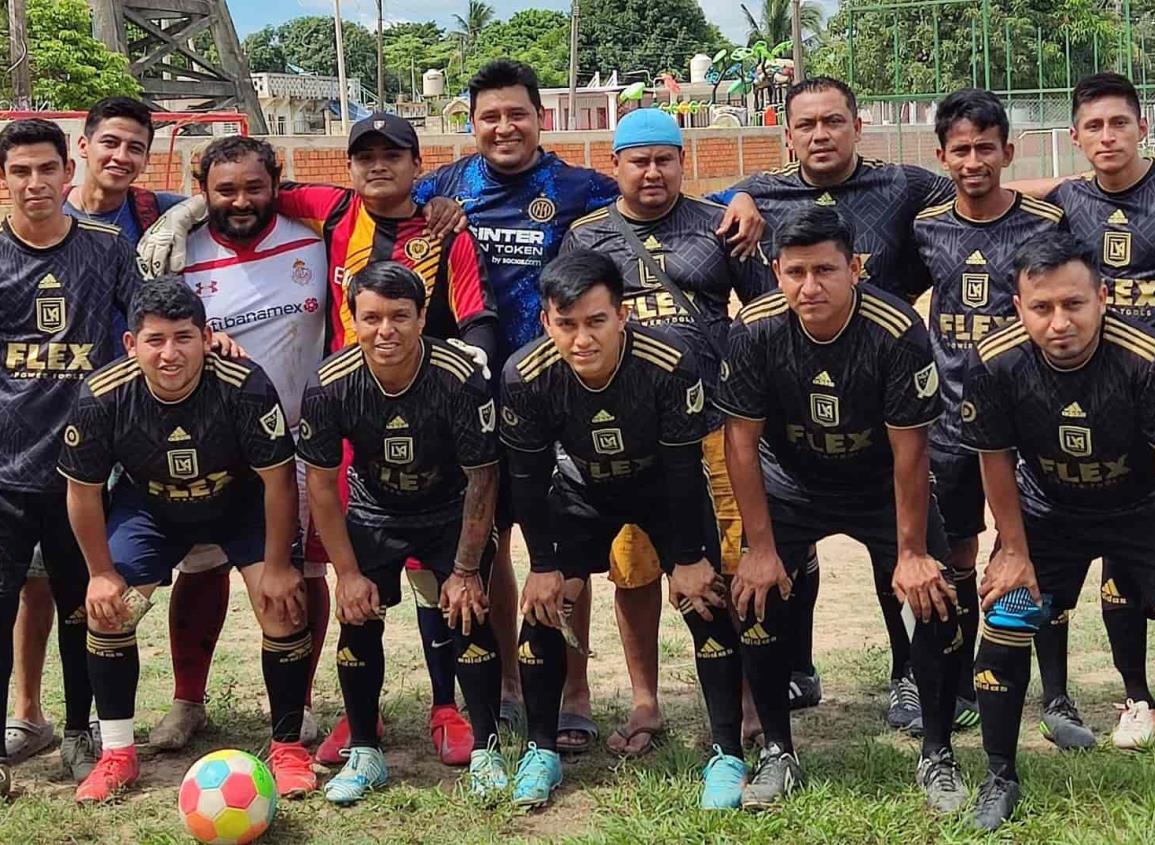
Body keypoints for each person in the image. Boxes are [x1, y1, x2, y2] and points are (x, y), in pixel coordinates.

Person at [137, 59, 765, 750]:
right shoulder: (435, 189)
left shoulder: (573, 186)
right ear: (469, 126)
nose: (503, 126)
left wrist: (740, 192)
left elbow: (651, 184)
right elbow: (253, 195)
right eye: (489, 116)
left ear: (538, 117)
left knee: (571, 552)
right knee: (482, 550)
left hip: (564, 393)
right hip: (433, 407)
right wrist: (186, 210)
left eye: (516, 113)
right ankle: (496, 687)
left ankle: (580, 696)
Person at [139, 113, 498, 766]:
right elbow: (245, 189)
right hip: (330, 428)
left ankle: (444, 706)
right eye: (365, 156)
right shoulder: (331, 211)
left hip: (414, 419)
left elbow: (475, 314)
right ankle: (347, 716)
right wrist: (181, 215)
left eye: (394, 155)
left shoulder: (446, 226)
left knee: (415, 569)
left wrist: (475, 375)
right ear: (350, 166)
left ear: (419, 164)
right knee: (338, 570)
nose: (378, 166)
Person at [719, 207, 965, 813]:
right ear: (775, 271)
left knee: (931, 592)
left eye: (826, 270)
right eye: (795, 271)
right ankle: (779, 750)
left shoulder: (897, 327)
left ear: (854, 268)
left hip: (880, 483)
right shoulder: (753, 329)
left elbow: (911, 451)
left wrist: (910, 553)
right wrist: (760, 547)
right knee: (755, 591)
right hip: (792, 480)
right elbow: (741, 444)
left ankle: (938, 754)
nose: (810, 286)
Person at [560, 108, 774, 755]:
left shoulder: (717, 225)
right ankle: (646, 700)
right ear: (614, 165)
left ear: (683, 161)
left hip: (713, 428)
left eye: (664, 158)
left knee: (731, 565)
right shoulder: (586, 234)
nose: (651, 171)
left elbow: (763, 308)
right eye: (638, 159)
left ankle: (742, 697)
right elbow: (572, 320)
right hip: (628, 440)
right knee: (633, 571)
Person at [501, 249, 746, 808]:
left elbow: (685, 469)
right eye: (566, 325)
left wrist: (687, 557)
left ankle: (728, 753)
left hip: (664, 486)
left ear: (623, 316)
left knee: (704, 597)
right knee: (544, 603)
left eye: (596, 322)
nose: (581, 339)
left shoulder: (670, 362)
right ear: (546, 323)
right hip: (583, 489)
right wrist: (542, 566)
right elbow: (527, 477)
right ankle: (541, 751)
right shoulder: (525, 374)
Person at [59, 278, 316, 802]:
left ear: (205, 336)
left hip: (240, 505)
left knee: (283, 604)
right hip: (151, 510)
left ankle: (288, 749)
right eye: (155, 340)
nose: (170, 353)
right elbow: (82, 493)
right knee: (110, 611)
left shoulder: (244, 384)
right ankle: (117, 755)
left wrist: (277, 565)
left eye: (183, 337)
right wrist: (102, 574)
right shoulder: (103, 395)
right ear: (132, 345)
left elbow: (278, 481)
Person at [7, 97, 182, 767]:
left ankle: (90, 725)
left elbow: (153, 313)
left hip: (99, 448)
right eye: (109, 142)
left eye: (135, 147)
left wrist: (189, 213)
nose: (121, 156)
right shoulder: (20, 233)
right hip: (19, 448)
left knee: (93, 585)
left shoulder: (129, 230)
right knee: (22, 590)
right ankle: (25, 719)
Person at [961, 233, 1155, 830]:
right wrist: (1012, 550)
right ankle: (999, 776)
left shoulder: (1143, 360)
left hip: (1140, 509)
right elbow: (993, 457)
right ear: (1018, 309)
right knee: (1007, 616)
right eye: (1042, 308)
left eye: (1073, 304)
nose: (1059, 322)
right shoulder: (996, 363)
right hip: (1048, 515)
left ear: (1102, 297)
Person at [148, 135, 332, 754]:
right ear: (202, 190)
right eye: (225, 190)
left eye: (255, 186)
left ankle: (298, 703)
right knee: (202, 569)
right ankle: (187, 701)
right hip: (213, 449)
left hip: (303, 443)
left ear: (277, 180)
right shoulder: (182, 253)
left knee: (302, 572)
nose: (242, 200)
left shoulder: (314, 237)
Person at [299, 262, 505, 804]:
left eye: (399, 316)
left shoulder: (460, 376)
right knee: (360, 617)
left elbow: (484, 475)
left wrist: (464, 570)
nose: (385, 330)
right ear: (354, 321)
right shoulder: (328, 384)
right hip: (375, 512)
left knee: (468, 612)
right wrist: (345, 574)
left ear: (420, 320)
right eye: (371, 318)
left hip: (450, 509)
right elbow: (321, 486)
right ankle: (366, 750)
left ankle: (486, 748)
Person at [910, 88, 1066, 736]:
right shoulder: (924, 227)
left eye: (984, 147)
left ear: (1007, 150)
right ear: (941, 155)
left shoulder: (1046, 225)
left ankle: (1055, 695)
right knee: (957, 553)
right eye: (960, 149)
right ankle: (966, 682)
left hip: (1024, 424)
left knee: (1028, 548)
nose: (973, 160)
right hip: (947, 424)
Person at [0, 118, 143, 797]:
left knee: (86, 605)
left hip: (84, 471)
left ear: (68, 170)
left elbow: (146, 325)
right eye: (20, 171)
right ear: (5, 179)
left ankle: (84, 730)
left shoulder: (107, 246)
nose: (34, 183)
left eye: (45, 169)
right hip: (3, 472)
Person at [1036, 72, 1155, 750]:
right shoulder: (1066, 203)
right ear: (1074, 137)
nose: (1106, 136)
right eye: (1093, 127)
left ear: (1140, 127)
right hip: (1090, 398)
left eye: (1118, 123)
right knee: (1101, 548)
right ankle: (1129, 695)